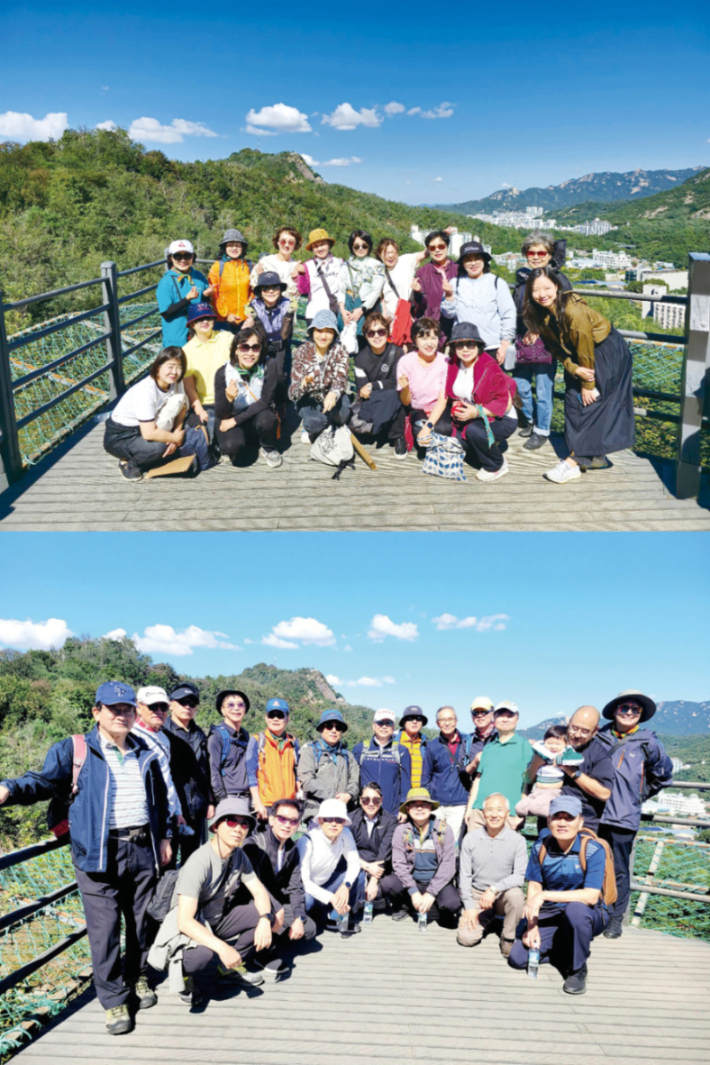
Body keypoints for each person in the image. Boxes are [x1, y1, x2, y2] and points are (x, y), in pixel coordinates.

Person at [0, 682, 170, 1035]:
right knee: (104, 928)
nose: (122, 715)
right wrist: (9, 789)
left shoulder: (145, 751)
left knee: (140, 921)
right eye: (113, 709)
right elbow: (42, 782)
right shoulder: (76, 749)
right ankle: (114, 1001)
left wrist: (164, 835)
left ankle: (137, 976)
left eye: (127, 709)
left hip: (142, 847)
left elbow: (161, 800)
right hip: (97, 851)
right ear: (97, 712)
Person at [152, 798, 275, 1002]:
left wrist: (264, 919)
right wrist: (223, 948)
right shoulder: (199, 862)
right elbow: (184, 921)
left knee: (261, 915)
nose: (239, 828)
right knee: (202, 955)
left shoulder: (238, 855)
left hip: (216, 919)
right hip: (191, 926)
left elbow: (260, 892)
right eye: (231, 821)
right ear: (216, 826)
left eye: (244, 823)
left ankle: (226, 969)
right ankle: (185, 976)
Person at [524, 266, 635, 483]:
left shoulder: (573, 311)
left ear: (557, 287)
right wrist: (572, 368)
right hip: (577, 357)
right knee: (573, 403)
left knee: (593, 404)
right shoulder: (540, 313)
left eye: (547, 288)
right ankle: (593, 457)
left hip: (604, 352)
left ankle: (573, 462)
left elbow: (585, 347)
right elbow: (555, 347)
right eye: (536, 290)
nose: (542, 294)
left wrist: (588, 384)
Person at [508, 794, 611, 995]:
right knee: (518, 959)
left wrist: (545, 895)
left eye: (569, 818)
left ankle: (577, 968)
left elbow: (591, 896)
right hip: (552, 912)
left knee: (576, 910)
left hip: (587, 913)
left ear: (580, 822)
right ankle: (563, 948)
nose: (562, 823)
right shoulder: (540, 847)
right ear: (549, 821)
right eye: (557, 817)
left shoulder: (592, 849)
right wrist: (532, 926)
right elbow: (534, 889)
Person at [597, 690, 673, 939]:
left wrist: (637, 795)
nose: (629, 712)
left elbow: (663, 775)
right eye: (624, 708)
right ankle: (595, 912)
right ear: (615, 710)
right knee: (593, 863)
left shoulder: (648, 742)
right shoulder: (599, 736)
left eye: (635, 709)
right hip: (594, 813)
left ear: (640, 714)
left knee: (619, 869)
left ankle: (615, 918)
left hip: (623, 816)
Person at [419, 321, 518, 482]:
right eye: (460, 345)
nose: (465, 349)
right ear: (454, 347)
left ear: (478, 346)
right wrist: (428, 426)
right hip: (470, 416)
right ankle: (489, 447)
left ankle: (497, 465)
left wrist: (476, 412)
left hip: (500, 418)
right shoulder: (453, 364)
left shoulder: (489, 367)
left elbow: (504, 403)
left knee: (473, 431)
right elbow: (444, 397)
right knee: (458, 445)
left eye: (470, 344)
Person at [103, 347, 211, 481]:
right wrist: (172, 438)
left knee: (190, 421)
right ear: (158, 367)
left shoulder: (176, 383)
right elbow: (148, 433)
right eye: (170, 366)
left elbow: (181, 408)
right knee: (159, 448)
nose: (174, 372)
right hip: (122, 435)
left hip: (150, 426)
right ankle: (127, 461)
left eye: (179, 367)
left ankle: (156, 455)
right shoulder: (146, 391)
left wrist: (175, 435)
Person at [512, 232, 571, 450]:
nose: (536, 256)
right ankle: (530, 418)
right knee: (520, 384)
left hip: (547, 343)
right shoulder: (522, 279)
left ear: (550, 254)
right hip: (523, 342)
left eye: (541, 252)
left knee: (545, 389)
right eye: (531, 252)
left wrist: (539, 328)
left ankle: (542, 429)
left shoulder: (558, 279)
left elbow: (564, 311)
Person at [243, 798, 316, 974]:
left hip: (276, 902)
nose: (287, 825)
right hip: (249, 902)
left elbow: (295, 886)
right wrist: (276, 909)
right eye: (282, 819)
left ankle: (272, 935)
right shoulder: (253, 845)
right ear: (271, 820)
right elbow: (253, 886)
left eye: (293, 821)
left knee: (308, 929)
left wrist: (299, 916)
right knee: (270, 916)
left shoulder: (291, 848)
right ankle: (260, 952)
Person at [457, 792, 527, 958]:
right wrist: (468, 906)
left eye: (499, 810)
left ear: (507, 813)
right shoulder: (470, 839)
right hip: (477, 894)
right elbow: (464, 876)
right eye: (489, 810)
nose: (494, 814)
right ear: (483, 813)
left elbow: (519, 876)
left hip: (503, 894)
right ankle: (486, 920)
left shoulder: (517, 840)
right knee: (466, 938)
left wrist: (495, 888)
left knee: (517, 896)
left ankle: (508, 937)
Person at [213, 327, 282, 469]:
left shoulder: (269, 365)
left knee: (268, 418)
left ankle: (268, 447)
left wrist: (235, 421)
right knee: (231, 447)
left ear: (261, 350)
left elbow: (266, 401)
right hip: (232, 414)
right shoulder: (223, 373)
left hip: (256, 413)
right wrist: (229, 399)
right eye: (244, 347)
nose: (250, 353)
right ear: (236, 350)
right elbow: (221, 413)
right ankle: (246, 439)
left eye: (255, 347)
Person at [391, 788, 460, 927]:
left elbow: (448, 864)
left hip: (437, 882)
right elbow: (399, 864)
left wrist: (431, 893)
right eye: (415, 805)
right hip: (413, 880)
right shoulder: (401, 831)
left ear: (430, 808)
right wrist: (413, 891)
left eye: (424, 804)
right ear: (408, 809)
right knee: (388, 884)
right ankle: (406, 905)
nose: (420, 808)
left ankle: (436, 906)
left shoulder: (444, 829)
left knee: (452, 904)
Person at [440, 241, 516, 366]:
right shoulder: (455, 283)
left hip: (492, 347)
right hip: (464, 347)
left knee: (491, 383)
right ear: (463, 263)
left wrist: (505, 343)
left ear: (484, 261)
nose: (473, 263)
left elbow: (508, 313)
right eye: (468, 260)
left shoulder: (497, 283)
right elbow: (448, 314)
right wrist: (448, 296)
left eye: (477, 258)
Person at [164, 682, 214, 866]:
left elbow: (205, 770)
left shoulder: (200, 734)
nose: (187, 707)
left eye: (192, 703)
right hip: (171, 807)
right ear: (171, 704)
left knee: (193, 860)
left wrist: (209, 800)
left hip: (197, 807)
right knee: (167, 859)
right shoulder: (162, 732)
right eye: (182, 702)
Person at [297, 798, 361, 932]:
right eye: (328, 819)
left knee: (359, 876)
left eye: (339, 820)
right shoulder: (307, 841)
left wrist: (346, 886)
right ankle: (309, 918)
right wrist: (332, 898)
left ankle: (334, 917)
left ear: (344, 822)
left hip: (327, 884)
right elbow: (305, 883)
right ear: (320, 821)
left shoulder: (345, 833)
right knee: (307, 900)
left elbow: (354, 862)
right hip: (307, 889)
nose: (334, 824)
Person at [349, 311, 407, 457]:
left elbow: (396, 382)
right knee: (390, 396)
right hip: (373, 401)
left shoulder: (397, 352)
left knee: (396, 395)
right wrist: (373, 387)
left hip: (391, 397)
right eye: (371, 333)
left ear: (387, 332)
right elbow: (363, 390)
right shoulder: (360, 358)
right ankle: (381, 428)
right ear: (366, 335)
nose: (376, 336)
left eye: (381, 331)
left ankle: (397, 437)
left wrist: (372, 385)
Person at [289, 309, 350, 444]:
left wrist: (333, 393)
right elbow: (292, 393)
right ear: (312, 332)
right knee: (314, 423)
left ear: (334, 334)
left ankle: (330, 421)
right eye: (319, 330)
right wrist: (303, 383)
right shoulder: (302, 352)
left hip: (330, 395)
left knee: (344, 414)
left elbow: (341, 377)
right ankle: (319, 424)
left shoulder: (340, 350)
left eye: (328, 331)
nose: (323, 336)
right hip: (309, 398)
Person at [466, 702, 530, 830]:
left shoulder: (525, 746)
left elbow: (527, 782)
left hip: (507, 813)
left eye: (510, 716)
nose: (505, 719)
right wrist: (470, 809)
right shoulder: (489, 747)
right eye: (501, 715)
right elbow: (478, 780)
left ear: (517, 719)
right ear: (494, 719)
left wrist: (521, 813)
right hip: (479, 812)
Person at [349, 783, 406, 917]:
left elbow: (384, 853)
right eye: (366, 799)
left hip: (379, 869)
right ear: (360, 800)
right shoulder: (350, 819)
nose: (370, 803)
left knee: (381, 888)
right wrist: (366, 866)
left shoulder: (390, 821)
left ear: (382, 800)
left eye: (376, 800)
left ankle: (381, 900)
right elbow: (347, 851)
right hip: (357, 865)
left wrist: (373, 881)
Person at [132, 686, 184, 833]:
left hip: (167, 813)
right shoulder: (131, 736)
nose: (159, 711)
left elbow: (168, 776)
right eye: (153, 706)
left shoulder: (163, 737)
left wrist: (177, 810)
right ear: (139, 707)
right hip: (148, 814)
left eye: (164, 707)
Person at [557, 706, 615, 833]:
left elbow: (604, 793)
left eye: (584, 731)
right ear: (568, 723)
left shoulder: (599, 754)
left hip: (583, 823)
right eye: (574, 728)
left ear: (595, 732)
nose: (577, 735)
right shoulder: (554, 743)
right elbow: (528, 779)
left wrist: (571, 771)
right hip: (552, 819)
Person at [182, 303, 233, 443]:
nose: (204, 322)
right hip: (207, 402)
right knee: (209, 437)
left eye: (208, 318)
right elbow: (189, 387)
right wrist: (198, 409)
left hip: (230, 398)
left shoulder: (227, 338)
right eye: (199, 319)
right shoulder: (187, 351)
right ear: (192, 324)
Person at [298, 710, 360, 824]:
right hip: (317, 814)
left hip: (343, 814)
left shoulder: (348, 755)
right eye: (329, 726)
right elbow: (306, 781)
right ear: (321, 729)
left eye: (338, 727)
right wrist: (333, 796)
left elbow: (355, 781)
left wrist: (348, 795)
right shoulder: (310, 752)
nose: (334, 730)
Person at [396, 317, 449, 449]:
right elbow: (406, 402)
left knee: (443, 430)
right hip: (418, 408)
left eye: (433, 338)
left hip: (438, 407)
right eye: (423, 338)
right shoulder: (405, 361)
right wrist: (406, 388)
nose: (429, 343)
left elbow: (443, 399)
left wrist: (429, 426)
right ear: (415, 339)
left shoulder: (445, 362)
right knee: (421, 436)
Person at [421, 706, 470, 842]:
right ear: (438, 723)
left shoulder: (467, 743)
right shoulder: (433, 746)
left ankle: (451, 864)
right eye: (443, 720)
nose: (447, 723)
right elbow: (426, 777)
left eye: (450, 719)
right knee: (437, 841)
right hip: (437, 805)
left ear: (456, 721)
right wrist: (428, 802)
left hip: (460, 803)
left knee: (453, 843)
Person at [246, 698, 300, 821]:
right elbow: (251, 774)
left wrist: (297, 799)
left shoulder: (293, 742)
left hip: (288, 805)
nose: (275, 719)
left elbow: (296, 772)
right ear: (266, 718)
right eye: (271, 715)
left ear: (287, 719)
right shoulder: (256, 741)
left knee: (284, 839)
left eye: (280, 715)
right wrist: (257, 803)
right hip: (266, 805)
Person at [246, 271, 295, 405]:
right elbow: (257, 331)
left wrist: (289, 316)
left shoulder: (288, 304)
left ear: (280, 289)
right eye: (265, 288)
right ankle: (261, 402)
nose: (270, 291)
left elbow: (285, 335)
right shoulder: (253, 305)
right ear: (260, 291)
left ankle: (280, 405)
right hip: (262, 345)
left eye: (275, 287)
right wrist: (251, 321)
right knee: (260, 374)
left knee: (280, 376)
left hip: (280, 345)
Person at [352, 709, 412, 816]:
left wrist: (403, 809)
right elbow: (353, 780)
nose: (384, 726)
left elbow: (406, 783)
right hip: (365, 809)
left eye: (388, 723)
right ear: (373, 726)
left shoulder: (402, 751)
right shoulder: (360, 749)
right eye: (380, 723)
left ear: (393, 727)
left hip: (391, 811)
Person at [156, 239, 210, 347]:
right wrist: (187, 299)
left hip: (198, 336)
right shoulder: (166, 282)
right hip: (176, 339)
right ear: (171, 258)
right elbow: (166, 313)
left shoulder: (198, 276)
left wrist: (206, 295)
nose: (183, 260)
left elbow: (203, 303)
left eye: (187, 256)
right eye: (177, 256)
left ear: (192, 257)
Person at [514, 725, 569, 829]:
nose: (553, 746)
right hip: (537, 791)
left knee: (535, 808)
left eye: (558, 744)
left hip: (551, 792)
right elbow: (528, 777)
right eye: (549, 743)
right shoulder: (540, 756)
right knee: (519, 808)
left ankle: (555, 815)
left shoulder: (563, 758)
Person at [411, 229, 458, 345]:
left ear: (447, 246)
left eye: (441, 246)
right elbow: (422, 305)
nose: (437, 250)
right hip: (432, 330)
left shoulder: (459, 270)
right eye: (432, 248)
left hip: (455, 329)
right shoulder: (423, 272)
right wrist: (417, 293)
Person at [207, 689, 252, 804]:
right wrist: (222, 800)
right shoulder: (216, 737)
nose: (236, 708)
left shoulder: (245, 735)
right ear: (222, 710)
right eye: (230, 705)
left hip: (247, 798)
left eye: (240, 705)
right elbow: (213, 771)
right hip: (228, 797)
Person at [338, 230, 385, 336]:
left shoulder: (377, 265)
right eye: (356, 246)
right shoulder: (345, 265)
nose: (360, 249)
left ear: (369, 246)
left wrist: (361, 310)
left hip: (369, 309)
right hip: (348, 308)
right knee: (346, 340)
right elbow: (341, 288)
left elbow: (376, 291)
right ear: (351, 247)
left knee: (367, 339)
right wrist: (342, 310)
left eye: (364, 246)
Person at [207, 228, 253, 333]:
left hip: (245, 320)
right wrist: (226, 314)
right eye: (230, 245)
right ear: (224, 248)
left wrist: (250, 313)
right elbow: (214, 295)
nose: (234, 248)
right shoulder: (217, 267)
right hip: (223, 320)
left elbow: (253, 292)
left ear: (242, 247)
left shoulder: (249, 266)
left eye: (237, 245)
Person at [375, 238, 427, 330]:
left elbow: (424, 253)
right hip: (392, 324)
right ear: (379, 254)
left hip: (409, 319)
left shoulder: (405, 261)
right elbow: (381, 297)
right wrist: (384, 316)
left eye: (393, 252)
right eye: (386, 253)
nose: (390, 256)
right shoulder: (378, 271)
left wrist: (441, 235)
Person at [295, 228, 343, 325]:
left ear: (328, 245)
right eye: (316, 246)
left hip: (335, 312)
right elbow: (304, 290)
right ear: (312, 249)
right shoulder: (307, 266)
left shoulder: (339, 263)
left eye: (322, 244)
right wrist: (301, 275)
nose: (320, 249)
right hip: (314, 313)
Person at [250, 225, 303, 306]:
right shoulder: (265, 262)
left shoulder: (296, 267)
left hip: (287, 313)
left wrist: (297, 279)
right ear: (277, 242)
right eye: (283, 241)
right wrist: (260, 277)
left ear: (295, 244)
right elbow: (254, 287)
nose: (286, 245)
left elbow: (298, 295)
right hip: (265, 312)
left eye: (291, 242)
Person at [395, 707, 429, 790]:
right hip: (398, 794)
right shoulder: (394, 742)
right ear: (404, 722)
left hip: (420, 795)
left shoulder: (426, 744)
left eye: (418, 718)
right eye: (410, 718)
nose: (414, 721)